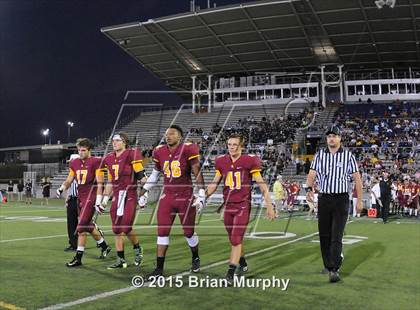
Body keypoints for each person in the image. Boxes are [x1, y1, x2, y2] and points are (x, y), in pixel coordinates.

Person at [205, 133, 275, 285]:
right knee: (233, 239)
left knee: (236, 239)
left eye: (234, 144)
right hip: (228, 205)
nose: (231, 147)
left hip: (242, 205)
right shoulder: (221, 161)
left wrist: (269, 204)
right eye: (229, 144)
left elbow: (261, 184)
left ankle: (230, 273)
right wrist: (202, 195)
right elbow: (214, 183)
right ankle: (242, 262)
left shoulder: (249, 160)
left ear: (241, 146)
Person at [138, 125, 205, 277]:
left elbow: (196, 171)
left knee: (188, 233)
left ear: (180, 137)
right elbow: (155, 175)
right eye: (167, 134)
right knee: (162, 232)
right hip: (167, 197)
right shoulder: (159, 151)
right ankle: (159, 269)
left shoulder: (188, 149)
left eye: (172, 134)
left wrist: (201, 194)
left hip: (185, 197)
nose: (168, 136)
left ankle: (195, 256)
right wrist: (143, 191)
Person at [306, 125, 362, 283]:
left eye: (334, 135)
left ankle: (334, 269)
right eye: (329, 136)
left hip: (341, 199)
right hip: (324, 198)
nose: (331, 138)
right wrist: (309, 189)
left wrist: (360, 200)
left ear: (340, 138)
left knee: (336, 234)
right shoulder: (319, 156)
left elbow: (357, 178)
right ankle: (328, 264)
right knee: (324, 235)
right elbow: (311, 175)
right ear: (327, 138)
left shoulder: (348, 156)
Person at [57, 138, 111, 267]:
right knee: (87, 225)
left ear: (89, 150)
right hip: (80, 196)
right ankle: (105, 246)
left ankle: (78, 258)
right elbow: (69, 179)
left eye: (84, 150)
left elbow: (100, 182)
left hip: (91, 196)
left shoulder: (95, 162)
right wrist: (62, 188)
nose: (81, 153)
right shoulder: (74, 163)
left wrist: (99, 200)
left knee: (81, 227)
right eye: (79, 150)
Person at [99, 132, 146, 269]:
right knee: (116, 229)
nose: (114, 142)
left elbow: (141, 176)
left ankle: (137, 249)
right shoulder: (108, 158)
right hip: (118, 195)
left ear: (125, 142)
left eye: (118, 140)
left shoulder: (132, 154)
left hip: (130, 193)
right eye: (113, 140)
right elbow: (110, 181)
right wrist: (104, 200)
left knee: (126, 227)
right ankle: (121, 260)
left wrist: (144, 192)